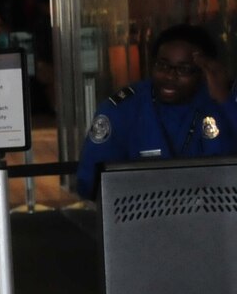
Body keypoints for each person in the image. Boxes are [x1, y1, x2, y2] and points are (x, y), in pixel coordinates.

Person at [76, 24, 237, 199]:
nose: (170, 76)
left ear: (204, 73)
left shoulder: (217, 102)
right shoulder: (122, 110)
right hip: (139, 216)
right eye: (163, 66)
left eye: (183, 69)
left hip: (213, 217)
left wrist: (224, 101)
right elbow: (90, 183)